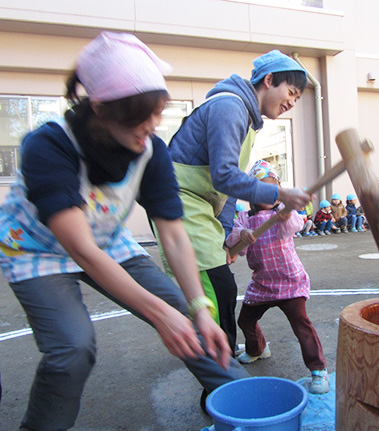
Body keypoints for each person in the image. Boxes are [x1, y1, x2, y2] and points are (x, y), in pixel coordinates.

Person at [0, 32, 250, 430]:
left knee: (194, 318)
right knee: (72, 347)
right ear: (99, 107)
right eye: (139, 115)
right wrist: (160, 315)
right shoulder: (47, 146)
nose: (150, 126)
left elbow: (172, 234)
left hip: (108, 240)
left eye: (157, 114)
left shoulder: (151, 149)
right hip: (36, 251)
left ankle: (253, 412)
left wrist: (199, 308)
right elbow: (80, 250)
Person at [166, 50, 311, 354]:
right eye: (291, 92)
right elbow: (225, 177)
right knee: (213, 296)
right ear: (269, 80)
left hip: (202, 209)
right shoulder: (230, 106)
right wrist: (281, 193)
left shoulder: (245, 117)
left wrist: (223, 235)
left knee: (224, 289)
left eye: (297, 98)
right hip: (180, 207)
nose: (292, 102)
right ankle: (218, 383)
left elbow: (229, 190)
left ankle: (223, 368)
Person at [225, 161, 329, 394]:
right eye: (264, 189)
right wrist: (241, 235)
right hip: (262, 283)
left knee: (302, 326)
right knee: (245, 321)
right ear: (252, 193)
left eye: (274, 188)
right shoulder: (245, 218)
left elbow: (296, 226)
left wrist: (286, 216)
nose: (271, 194)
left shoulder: (282, 212)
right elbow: (235, 246)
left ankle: (318, 369)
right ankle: (257, 349)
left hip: (289, 281)